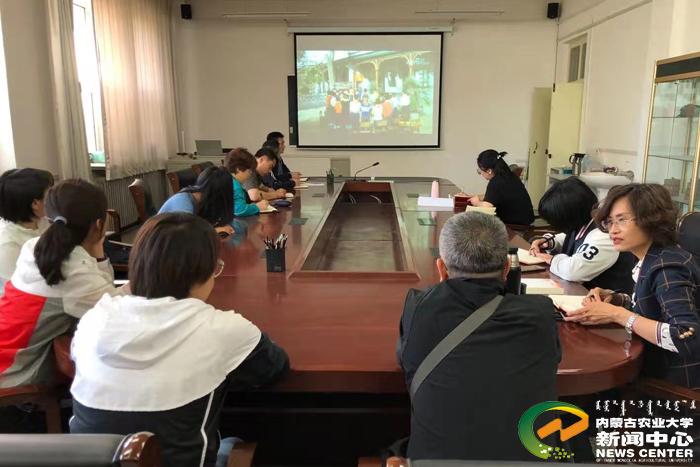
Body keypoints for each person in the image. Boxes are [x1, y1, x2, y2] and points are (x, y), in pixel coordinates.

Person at [69, 213, 290, 467]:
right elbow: (275, 367)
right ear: (204, 271)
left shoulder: (94, 319)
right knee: (233, 442)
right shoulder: (220, 329)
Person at [397, 212, 560, 460]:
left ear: (441, 269)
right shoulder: (541, 313)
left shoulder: (419, 307)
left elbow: (406, 359)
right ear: (507, 269)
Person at [566, 183, 700, 390]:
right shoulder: (654, 255)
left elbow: (685, 337)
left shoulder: (667, 268)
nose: (613, 230)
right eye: (610, 221)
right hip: (647, 364)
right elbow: (655, 307)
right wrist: (616, 300)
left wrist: (617, 314)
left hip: (669, 385)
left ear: (651, 219)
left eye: (622, 220)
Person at [0, 179, 118, 388]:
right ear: (99, 224)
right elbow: (115, 314)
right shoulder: (76, 275)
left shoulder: (35, 247)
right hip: (15, 374)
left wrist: (97, 252)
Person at [531, 177, 636, 294]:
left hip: (604, 300)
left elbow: (573, 271)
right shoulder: (583, 223)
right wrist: (549, 242)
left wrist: (552, 260)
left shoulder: (604, 234)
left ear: (569, 216)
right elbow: (572, 239)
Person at [0, 168, 53, 294]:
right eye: (50, 194)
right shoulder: (6, 244)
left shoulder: (43, 221)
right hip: (28, 298)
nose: (55, 198)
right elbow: (16, 289)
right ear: (35, 203)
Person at [158, 166, 235, 236]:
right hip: (161, 243)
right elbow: (185, 234)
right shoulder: (182, 201)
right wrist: (213, 230)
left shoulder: (201, 203)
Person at [468, 150, 534, 226]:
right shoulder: (509, 176)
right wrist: (469, 197)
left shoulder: (496, 182)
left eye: (480, 171)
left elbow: (488, 208)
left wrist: (477, 203)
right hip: (526, 219)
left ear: (489, 171)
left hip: (516, 225)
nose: (481, 174)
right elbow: (491, 197)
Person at [224, 148, 269, 217]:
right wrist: (257, 207)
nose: (250, 174)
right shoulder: (235, 185)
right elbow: (240, 211)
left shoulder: (227, 178)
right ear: (239, 170)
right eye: (249, 171)